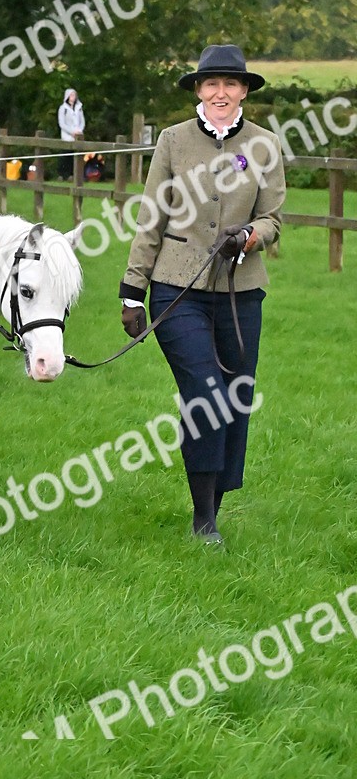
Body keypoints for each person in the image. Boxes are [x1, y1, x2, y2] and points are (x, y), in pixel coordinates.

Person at [119, 44, 285, 546]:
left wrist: (251, 235)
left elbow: (273, 218)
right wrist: (132, 290)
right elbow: (152, 215)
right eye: (211, 83)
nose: (221, 92)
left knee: (235, 398)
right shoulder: (172, 141)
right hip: (176, 289)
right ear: (198, 89)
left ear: (244, 92)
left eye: (230, 84)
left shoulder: (266, 144)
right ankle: (203, 519)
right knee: (206, 391)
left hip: (241, 292)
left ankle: (214, 499)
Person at [57, 88, 84, 180]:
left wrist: (79, 131)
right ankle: (63, 174)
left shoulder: (79, 108)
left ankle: (73, 175)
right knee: (65, 155)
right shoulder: (63, 108)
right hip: (67, 135)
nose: (73, 97)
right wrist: (71, 132)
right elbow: (62, 123)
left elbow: (82, 121)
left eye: (74, 95)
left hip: (77, 135)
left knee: (75, 156)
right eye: (71, 95)